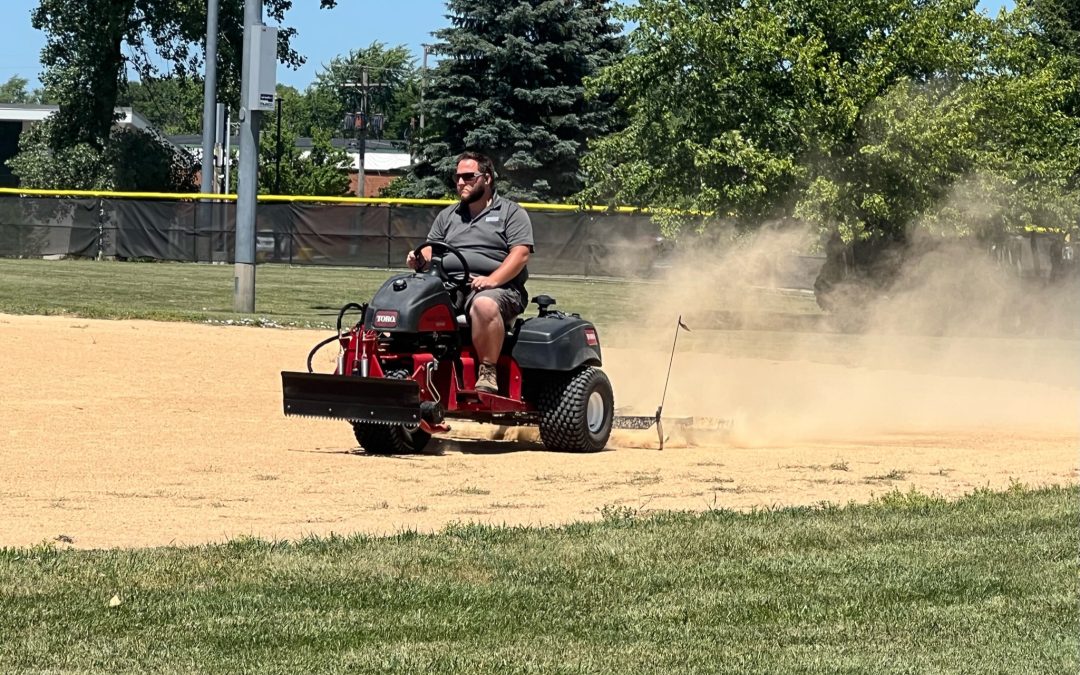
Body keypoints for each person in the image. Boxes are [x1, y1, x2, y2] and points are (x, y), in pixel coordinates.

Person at [407, 151, 534, 394]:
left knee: (484, 305)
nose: (460, 183)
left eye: (468, 177)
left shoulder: (511, 213)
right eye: (457, 177)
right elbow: (430, 250)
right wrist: (417, 259)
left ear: (486, 179)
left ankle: (488, 370)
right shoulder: (448, 215)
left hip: (500, 288)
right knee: (407, 300)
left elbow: (520, 255)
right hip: (450, 285)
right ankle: (403, 364)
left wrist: (491, 280)